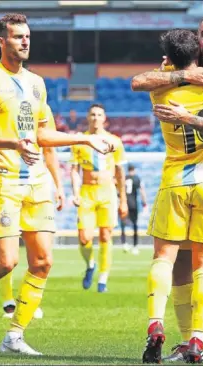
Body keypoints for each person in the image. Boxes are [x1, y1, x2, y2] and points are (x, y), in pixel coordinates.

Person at [0, 13, 114, 356]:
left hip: (37, 182)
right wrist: (12, 144)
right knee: (6, 263)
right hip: (3, 180)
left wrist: (82, 139)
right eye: (18, 36)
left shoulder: (37, 83)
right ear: (1, 41)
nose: (25, 42)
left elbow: (42, 134)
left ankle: (14, 336)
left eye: (27, 37)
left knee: (43, 262)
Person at [132, 17, 203, 365]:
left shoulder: (162, 89)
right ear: (196, 42)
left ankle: (160, 324)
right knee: (202, 265)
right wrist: (188, 73)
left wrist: (185, 112)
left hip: (175, 184)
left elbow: (138, 81)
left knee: (172, 260)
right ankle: (195, 340)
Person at [0, 105, 66, 319]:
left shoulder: (42, 107)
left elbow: (49, 149)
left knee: (39, 254)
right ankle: (8, 301)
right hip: (7, 183)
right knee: (7, 255)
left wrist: (59, 186)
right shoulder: (0, 102)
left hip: (37, 186)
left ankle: (26, 302)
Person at [70, 103, 128, 293]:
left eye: (99, 114)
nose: (95, 117)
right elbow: (74, 170)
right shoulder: (80, 140)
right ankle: (90, 264)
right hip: (87, 192)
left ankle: (103, 277)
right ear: (88, 117)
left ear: (104, 118)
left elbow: (120, 172)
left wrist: (123, 200)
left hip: (107, 192)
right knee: (84, 237)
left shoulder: (114, 141)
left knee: (105, 235)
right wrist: (75, 193)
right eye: (92, 114)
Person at [121, 164, 148, 255]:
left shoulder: (124, 178)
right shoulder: (137, 178)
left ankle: (124, 243)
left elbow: (119, 189)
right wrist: (144, 203)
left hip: (125, 203)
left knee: (123, 223)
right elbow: (142, 191)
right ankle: (135, 246)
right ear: (134, 169)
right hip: (133, 204)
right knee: (135, 225)